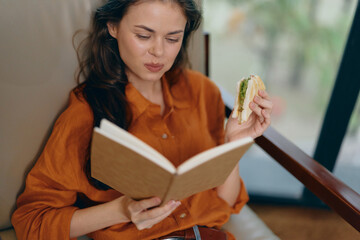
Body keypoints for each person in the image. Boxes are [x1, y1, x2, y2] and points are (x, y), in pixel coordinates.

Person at [11, 0, 273, 239]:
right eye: (143, 35)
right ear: (112, 26)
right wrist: (122, 210)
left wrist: (232, 143)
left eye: (173, 38)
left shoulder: (202, 92)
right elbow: (32, 222)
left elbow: (224, 203)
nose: (158, 52)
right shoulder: (86, 112)